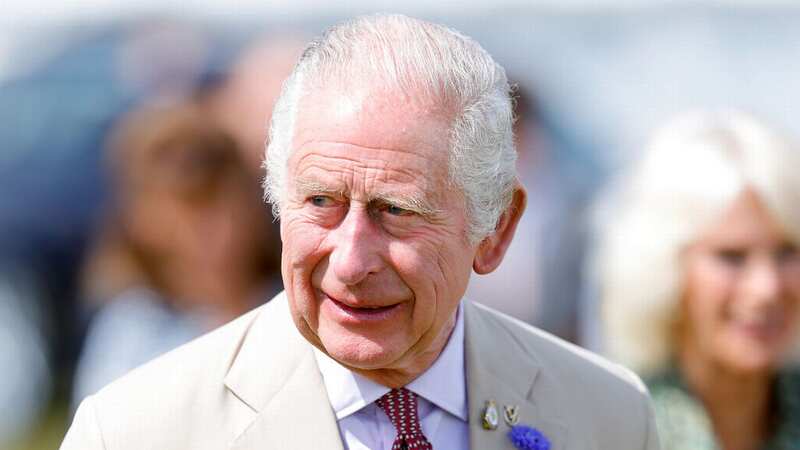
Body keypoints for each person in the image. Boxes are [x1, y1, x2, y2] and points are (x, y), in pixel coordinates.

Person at [61, 14, 659, 450]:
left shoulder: (607, 415)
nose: (350, 261)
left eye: (396, 210)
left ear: (495, 229)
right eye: (320, 202)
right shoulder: (133, 432)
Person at [592, 111, 800, 450]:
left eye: (787, 252)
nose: (767, 287)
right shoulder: (607, 427)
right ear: (663, 269)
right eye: (732, 256)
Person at [72, 101, 279, 408]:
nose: (220, 232)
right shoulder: (134, 334)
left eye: (228, 206)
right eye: (193, 213)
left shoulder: (288, 308)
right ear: (146, 223)